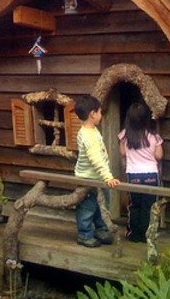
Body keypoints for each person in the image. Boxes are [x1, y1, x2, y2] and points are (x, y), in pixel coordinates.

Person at [74, 94, 121, 248]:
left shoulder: (91, 131)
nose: (101, 115)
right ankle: (85, 234)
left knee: (103, 205)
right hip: (88, 178)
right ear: (92, 114)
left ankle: (101, 229)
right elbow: (97, 160)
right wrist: (108, 177)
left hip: (97, 178)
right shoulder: (89, 136)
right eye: (100, 112)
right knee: (87, 207)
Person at [118, 102, 164, 242]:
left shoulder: (124, 135)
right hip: (151, 175)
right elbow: (159, 156)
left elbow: (122, 152)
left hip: (133, 175)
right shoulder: (154, 137)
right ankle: (147, 235)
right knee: (148, 207)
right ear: (147, 119)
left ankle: (133, 233)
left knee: (134, 205)